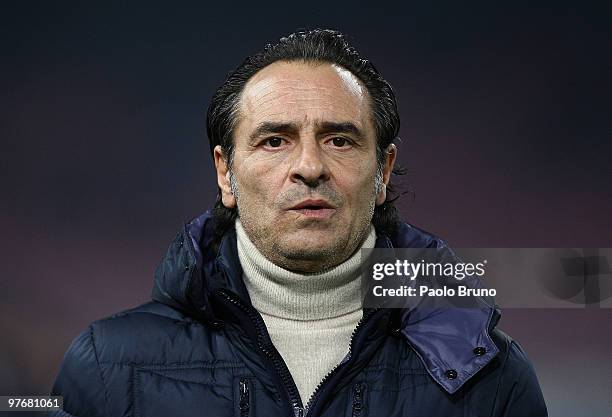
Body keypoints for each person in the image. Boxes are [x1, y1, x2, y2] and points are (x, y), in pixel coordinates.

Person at [50, 29, 548, 417]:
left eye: (340, 140)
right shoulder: (105, 365)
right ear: (226, 172)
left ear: (383, 173)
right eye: (274, 140)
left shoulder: (491, 375)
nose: (309, 166)